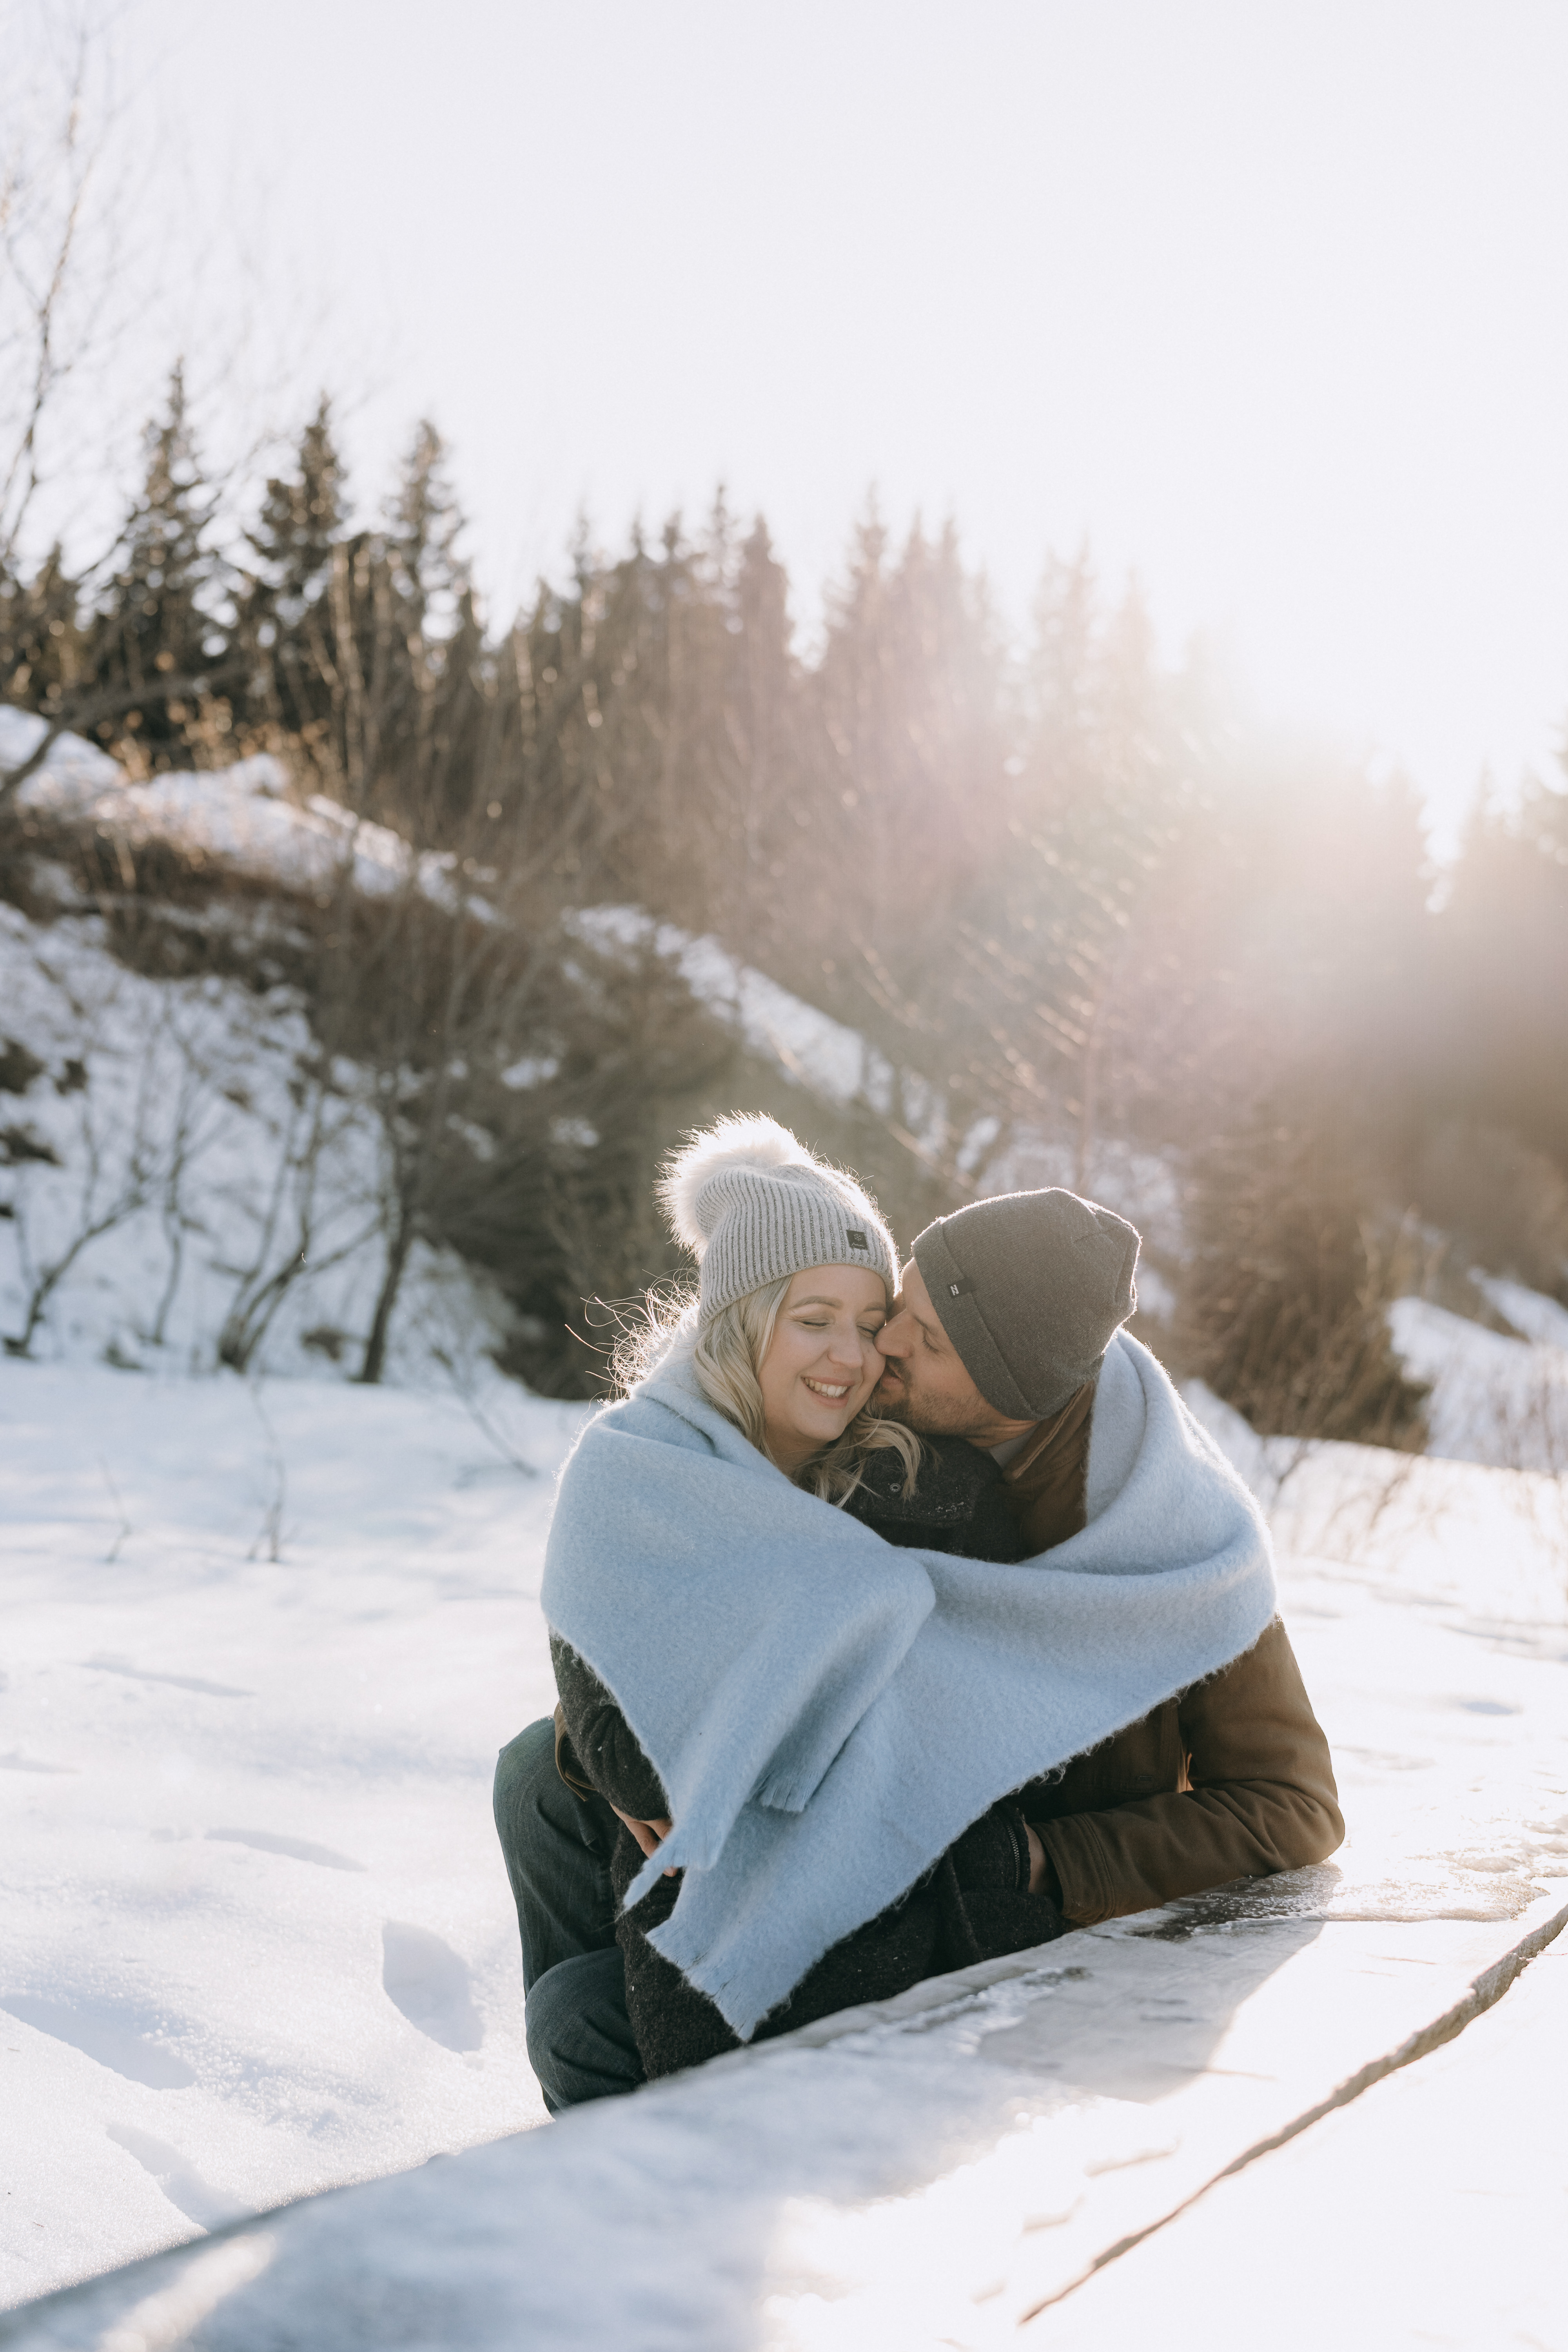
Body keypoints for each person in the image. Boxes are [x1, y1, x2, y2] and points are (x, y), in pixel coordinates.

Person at [494, 1119, 1338, 2111]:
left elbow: (1294, 1808)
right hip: (861, 1839)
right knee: (536, 1775)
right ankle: (618, 2137)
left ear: (1006, 1392)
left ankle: (658, 2157)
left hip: (1014, 1913)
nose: (879, 1347)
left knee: (582, 2017)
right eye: (898, 1308)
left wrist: (1035, 1860)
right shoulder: (876, 1434)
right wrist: (610, 1731)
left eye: (920, 1339)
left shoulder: (1168, 1543)